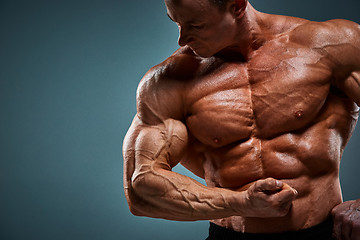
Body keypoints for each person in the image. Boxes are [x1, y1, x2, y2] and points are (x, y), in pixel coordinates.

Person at [123, 0, 360, 239]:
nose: (182, 39)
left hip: (323, 232)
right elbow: (140, 190)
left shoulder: (332, 45)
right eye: (177, 23)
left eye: (195, 25)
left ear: (237, 6)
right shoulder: (169, 81)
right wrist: (241, 203)